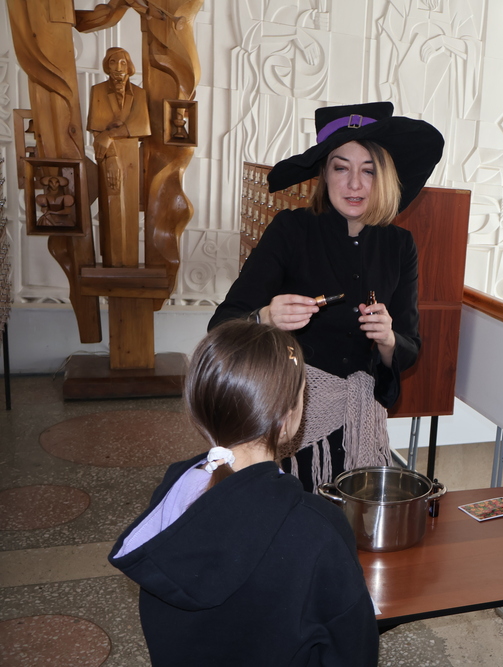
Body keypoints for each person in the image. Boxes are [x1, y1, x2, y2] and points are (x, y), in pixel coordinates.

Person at [108, 321, 379, 666]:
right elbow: (351, 647)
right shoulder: (318, 527)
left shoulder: (174, 490)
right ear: (287, 417)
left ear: (199, 407)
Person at [209, 102, 444, 492]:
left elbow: (409, 346)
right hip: (291, 420)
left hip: (361, 426)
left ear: (384, 177)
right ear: (324, 173)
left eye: (368, 170)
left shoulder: (400, 244)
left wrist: (388, 340)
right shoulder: (291, 229)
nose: (354, 184)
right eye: (341, 168)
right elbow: (222, 325)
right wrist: (266, 317)